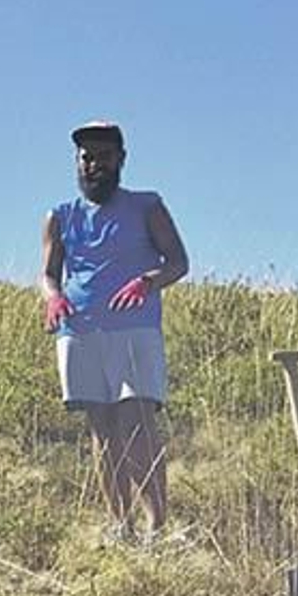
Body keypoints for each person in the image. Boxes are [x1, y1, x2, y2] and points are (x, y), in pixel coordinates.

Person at [41, 121, 189, 543]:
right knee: (102, 429)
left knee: (137, 424)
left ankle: (157, 527)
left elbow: (178, 261)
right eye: (86, 158)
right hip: (80, 329)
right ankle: (118, 525)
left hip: (134, 327)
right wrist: (52, 297)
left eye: (103, 157)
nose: (94, 165)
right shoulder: (60, 216)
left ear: (120, 160)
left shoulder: (147, 206)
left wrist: (148, 281)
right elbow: (49, 273)